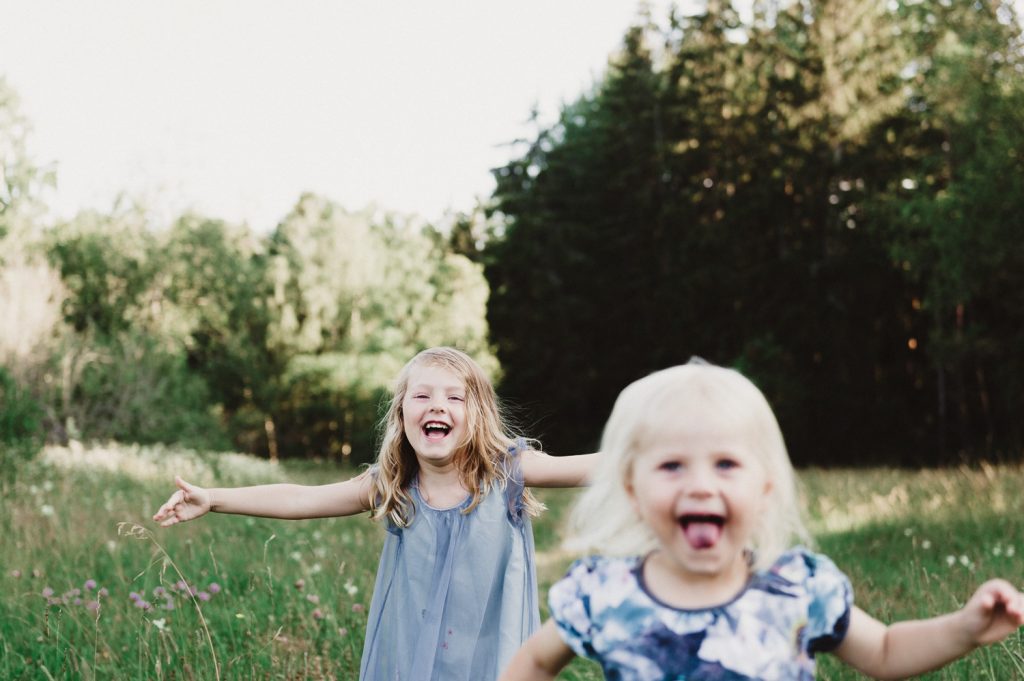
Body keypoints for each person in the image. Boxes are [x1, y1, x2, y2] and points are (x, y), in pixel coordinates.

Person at [500, 360, 1024, 681]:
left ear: (765, 486)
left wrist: (964, 628)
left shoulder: (797, 587)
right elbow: (537, 662)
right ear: (633, 490)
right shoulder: (603, 594)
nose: (701, 485)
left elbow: (885, 652)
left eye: (726, 464)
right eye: (672, 466)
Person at [153, 346, 597, 681]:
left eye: (454, 398)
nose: (437, 405)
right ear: (402, 414)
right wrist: (213, 498)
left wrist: (662, 454)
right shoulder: (394, 485)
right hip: (411, 654)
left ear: (478, 415)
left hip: (490, 652)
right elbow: (302, 499)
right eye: (422, 395)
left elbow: (596, 468)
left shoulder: (507, 473)